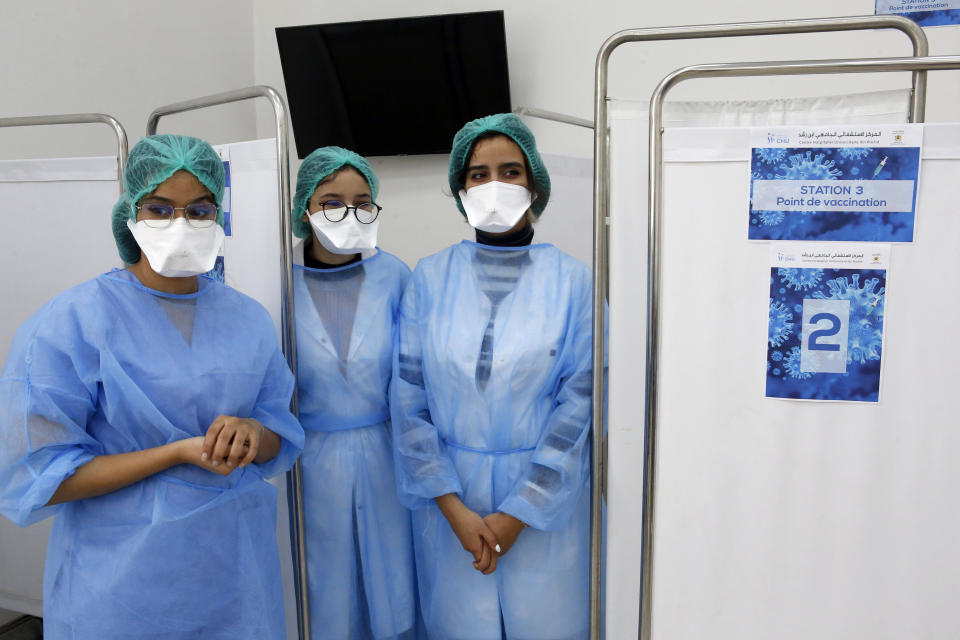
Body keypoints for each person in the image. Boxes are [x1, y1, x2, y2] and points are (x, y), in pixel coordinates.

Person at [0, 134, 304, 639]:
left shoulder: (247, 318)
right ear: (130, 215)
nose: (180, 225)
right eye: (160, 209)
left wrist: (253, 432)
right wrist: (175, 453)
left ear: (220, 217)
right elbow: (42, 475)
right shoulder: (75, 320)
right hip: (122, 583)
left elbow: (279, 431)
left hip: (233, 574)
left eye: (200, 211)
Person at [391, 114, 594, 639]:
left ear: (535, 185)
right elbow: (409, 401)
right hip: (450, 507)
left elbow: (580, 406)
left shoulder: (575, 283)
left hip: (546, 514)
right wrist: (452, 507)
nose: (495, 185)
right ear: (461, 188)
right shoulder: (429, 278)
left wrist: (520, 512)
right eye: (479, 174)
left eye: (510, 171)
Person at [291, 146, 418, 639]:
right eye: (331, 202)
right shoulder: (278, 282)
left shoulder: (395, 277)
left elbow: (414, 376)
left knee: (392, 583)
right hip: (309, 460)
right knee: (325, 589)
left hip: (388, 454)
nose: (350, 214)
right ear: (306, 207)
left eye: (363, 202)